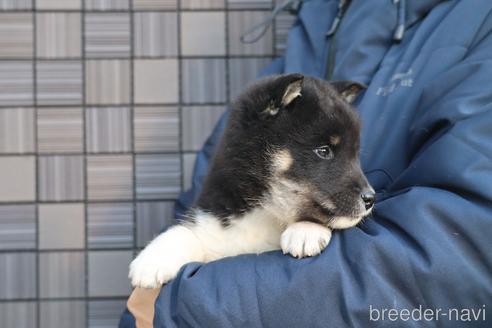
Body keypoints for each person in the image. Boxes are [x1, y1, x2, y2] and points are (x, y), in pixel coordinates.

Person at [120, 0, 492, 326]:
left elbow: (455, 262)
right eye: (328, 152)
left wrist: (178, 309)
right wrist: (155, 302)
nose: (365, 186)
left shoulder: (477, 23)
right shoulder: (315, 29)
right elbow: (202, 213)